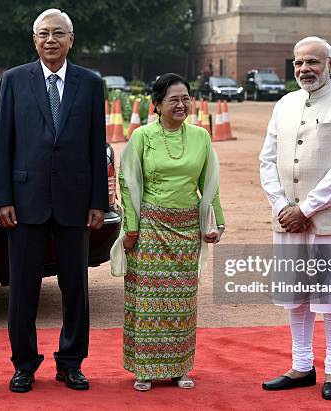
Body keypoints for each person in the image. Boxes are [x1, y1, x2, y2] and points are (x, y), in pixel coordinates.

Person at [0, 8, 108, 393]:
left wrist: (98, 201)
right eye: (43, 34)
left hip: (76, 202)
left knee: (75, 287)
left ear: (71, 39)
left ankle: (71, 363)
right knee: (23, 289)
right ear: (34, 39)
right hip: (25, 202)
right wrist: (3, 198)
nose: (51, 40)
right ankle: (24, 364)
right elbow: (4, 144)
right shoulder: (13, 80)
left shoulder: (90, 83)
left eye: (58, 33)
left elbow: (96, 144)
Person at [259, 37, 331, 401]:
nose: (305, 69)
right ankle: (301, 366)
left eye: (313, 62)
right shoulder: (285, 104)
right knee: (296, 296)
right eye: (298, 62)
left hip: (330, 220)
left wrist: (305, 209)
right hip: (287, 219)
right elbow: (267, 160)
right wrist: (281, 207)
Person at [118, 73, 225, 391]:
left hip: (187, 231)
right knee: (148, 300)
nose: (181, 104)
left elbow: (210, 183)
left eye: (185, 98)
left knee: (181, 302)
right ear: (157, 105)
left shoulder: (201, 137)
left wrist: (215, 222)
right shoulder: (142, 136)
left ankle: (179, 368)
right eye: (173, 99)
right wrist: (132, 228)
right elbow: (128, 182)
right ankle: (145, 368)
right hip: (150, 228)